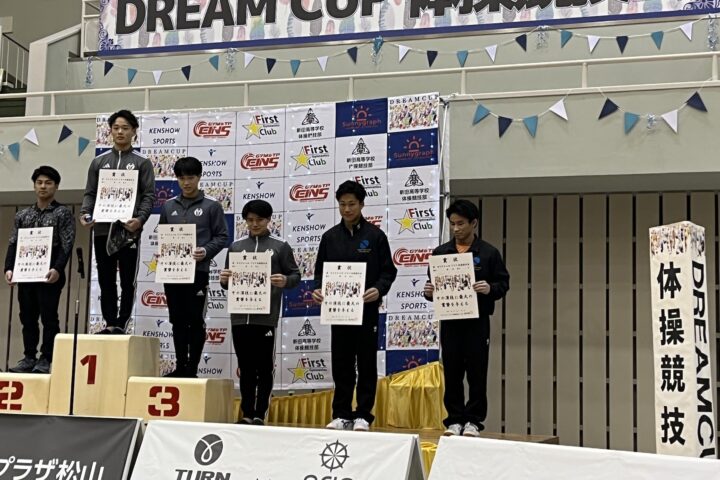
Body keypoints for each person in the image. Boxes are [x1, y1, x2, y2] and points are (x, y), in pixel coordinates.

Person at [312, 180, 397, 431]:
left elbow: (388, 272)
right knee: (341, 363)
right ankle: (341, 413)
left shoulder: (375, 236)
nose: (347, 209)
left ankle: (363, 414)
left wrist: (378, 289)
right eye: (342, 204)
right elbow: (320, 273)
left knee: (366, 362)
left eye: (351, 204)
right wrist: (318, 289)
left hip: (366, 310)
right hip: (338, 311)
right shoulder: (330, 237)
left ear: (361, 204)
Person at [423, 199, 509, 437]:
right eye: (452, 224)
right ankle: (454, 419)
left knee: (477, 373)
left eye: (461, 223)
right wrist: (428, 292)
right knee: (452, 372)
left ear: (474, 223)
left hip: (477, 322)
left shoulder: (489, 253)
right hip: (450, 321)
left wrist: (489, 288)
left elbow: (503, 284)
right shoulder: (441, 253)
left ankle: (473, 421)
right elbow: (433, 287)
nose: (456, 229)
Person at [219, 199, 300, 425]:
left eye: (260, 220)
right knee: (245, 367)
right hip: (239, 317)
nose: (255, 224)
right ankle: (246, 413)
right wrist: (224, 280)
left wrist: (285, 280)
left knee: (264, 367)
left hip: (266, 318)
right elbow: (227, 282)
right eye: (250, 220)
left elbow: (295, 275)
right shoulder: (236, 247)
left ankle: (260, 414)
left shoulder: (280, 246)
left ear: (269, 220)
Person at [79, 109, 155, 334]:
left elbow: (149, 196)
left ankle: (122, 323)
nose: (120, 132)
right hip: (103, 229)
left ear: (134, 131)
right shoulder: (98, 162)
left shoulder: (142, 163)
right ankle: (110, 322)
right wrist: (85, 213)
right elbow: (90, 193)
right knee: (105, 278)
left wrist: (140, 220)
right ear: (110, 131)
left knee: (127, 280)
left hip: (128, 230)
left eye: (125, 128)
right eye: (116, 128)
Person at [160, 157, 228, 377]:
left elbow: (222, 236)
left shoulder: (212, 206)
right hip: (173, 272)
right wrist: (163, 252)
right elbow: (163, 235)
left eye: (190, 177)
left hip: (198, 273)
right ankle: (181, 367)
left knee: (195, 320)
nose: (186, 182)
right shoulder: (169, 206)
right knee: (177, 321)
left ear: (199, 177)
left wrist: (206, 251)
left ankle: (192, 369)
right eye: (181, 178)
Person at [4, 166, 76, 373]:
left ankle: (46, 358)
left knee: (49, 316)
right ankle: (29, 356)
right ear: (34, 185)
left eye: (48, 183)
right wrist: (9, 268)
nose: (43, 186)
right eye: (39, 182)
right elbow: (13, 242)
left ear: (56, 186)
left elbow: (67, 244)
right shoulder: (23, 215)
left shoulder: (62, 213)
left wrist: (58, 268)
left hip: (49, 273)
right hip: (26, 271)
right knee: (27, 316)